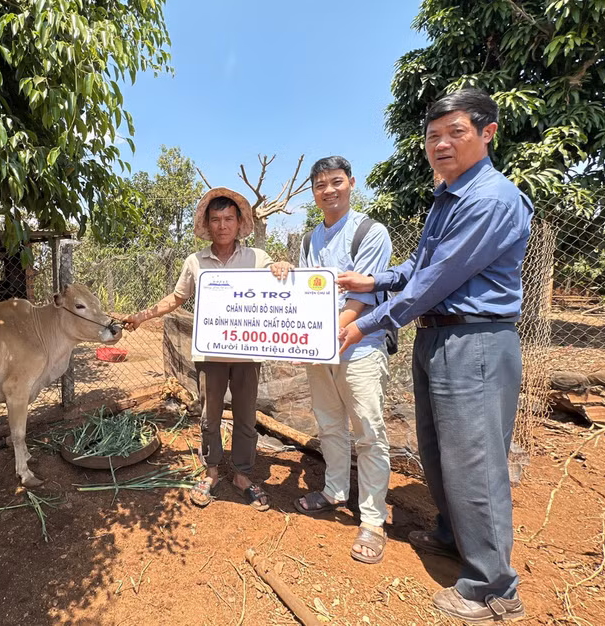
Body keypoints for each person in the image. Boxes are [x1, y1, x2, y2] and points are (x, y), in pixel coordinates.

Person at [337, 88, 532, 622]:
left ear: (487, 133)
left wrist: (368, 322)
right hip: (439, 338)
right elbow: (421, 267)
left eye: (456, 133)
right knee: (440, 449)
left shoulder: (491, 199)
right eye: (432, 136)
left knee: (475, 460)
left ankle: (494, 588)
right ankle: (452, 535)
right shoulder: (450, 195)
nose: (441, 144)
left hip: (475, 341)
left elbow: (436, 282)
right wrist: (376, 278)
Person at [271, 156, 393, 564]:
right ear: (313, 191)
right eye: (320, 184)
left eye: (336, 182)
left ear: (351, 183)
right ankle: (335, 491)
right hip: (319, 348)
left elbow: (362, 297)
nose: (328, 190)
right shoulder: (310, 240)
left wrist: (326, 335)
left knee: (368, 430)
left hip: (358, 346)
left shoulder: (370, 232)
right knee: (328, 424)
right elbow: (304, 292)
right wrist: (284, 270)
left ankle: (373, 519)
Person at [125, 187, 273, 510]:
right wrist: (141, 316)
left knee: (247, 415)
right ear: (208, 224)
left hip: (248, 354)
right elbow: (175, 299)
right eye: (216, 219)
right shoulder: (195, 262)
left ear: (239, 222)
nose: (222, 225)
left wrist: (284, 269)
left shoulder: (258, 259)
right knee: (210, 415)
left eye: (228, 219)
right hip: (211, 353)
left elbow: (279, 288)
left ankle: (243, 475)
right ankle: (212, 471)